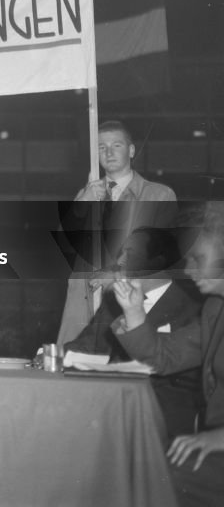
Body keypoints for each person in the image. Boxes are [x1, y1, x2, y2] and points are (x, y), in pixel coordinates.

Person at [111, 203, 224, 507]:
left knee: (148, 480)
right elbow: (164, 357)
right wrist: (134, 312)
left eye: (198, 258)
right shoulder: (215, 309)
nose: (187, 270)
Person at [63, 226, 202, 438]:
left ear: (158, 262)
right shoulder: (113, 303)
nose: (119, 262)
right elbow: (83, 346)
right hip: (103, 413)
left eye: (130, 254)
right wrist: (50, 356)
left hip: (156, 426)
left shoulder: (192, 311)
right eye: (121, 253)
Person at [58, 119, 178, 344]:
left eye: (117, 145)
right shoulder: (86, 194)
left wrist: (115, 274)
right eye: (101, 147)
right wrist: (82, 204)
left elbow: (160, 252)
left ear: (131, 150)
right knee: (78, 366)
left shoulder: (158, 195)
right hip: (86, 300)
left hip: (132, 298)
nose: (109, 152)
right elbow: (62, 246)